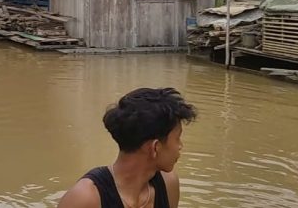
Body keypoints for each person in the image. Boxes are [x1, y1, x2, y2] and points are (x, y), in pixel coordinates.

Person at [58, 88, 197, 208]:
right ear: (155, 147)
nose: (180, 146)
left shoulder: (168, 184)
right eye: (177, 138)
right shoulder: (85, 198)